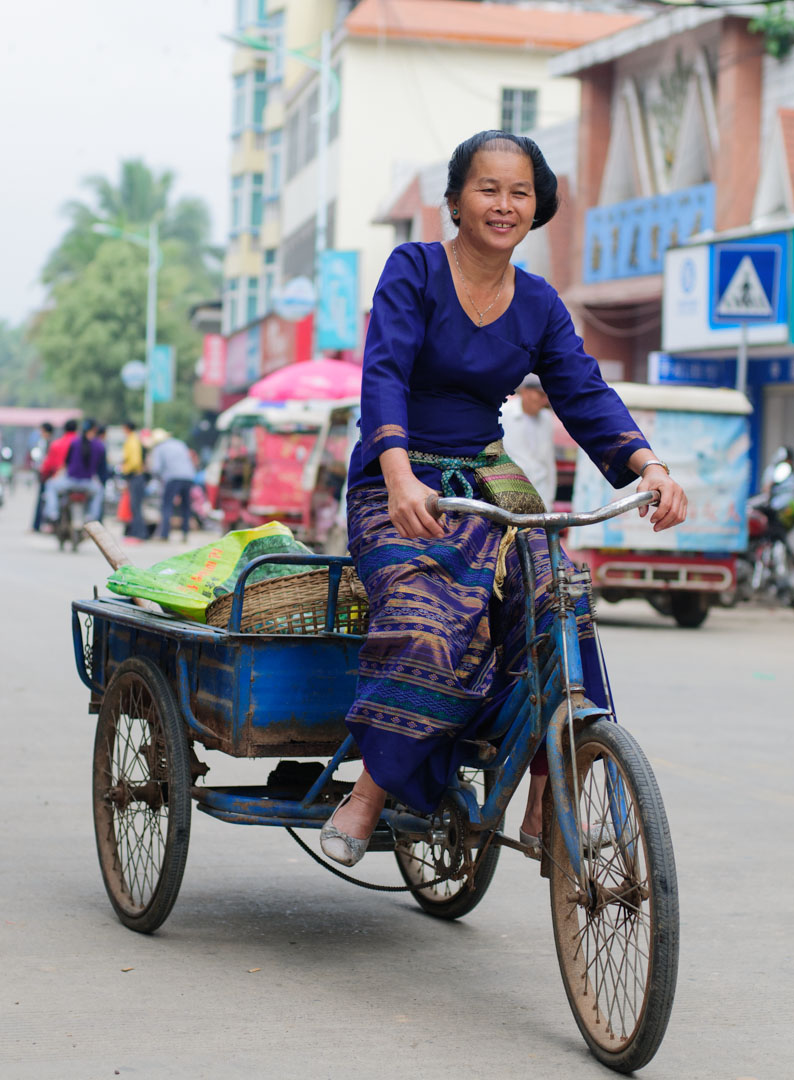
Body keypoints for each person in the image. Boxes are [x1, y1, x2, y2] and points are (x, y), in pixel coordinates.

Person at [319, 129, 687, 867]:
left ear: (536, 207)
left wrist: (649, 465)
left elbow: (583, 392)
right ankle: (369, 792)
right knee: (428, 620)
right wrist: (395, 474)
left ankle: (547, 790)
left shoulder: (542, 303)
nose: (504, 204)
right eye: (488, 189)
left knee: (562, 599)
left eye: (520, 192)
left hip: (488, 476)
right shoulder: (413, 270)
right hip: (398, 478)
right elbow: (382, 373)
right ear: (455, 200)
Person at [500, 372, 557, 509]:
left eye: (547, 396)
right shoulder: (504, 413)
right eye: (541, 395)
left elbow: (549, 461)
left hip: (540, 492)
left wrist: (550, 500)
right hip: (510, 492)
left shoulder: (546, 418)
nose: (544, 401)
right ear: (525, 392)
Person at [42, 418, 105, 524]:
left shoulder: (74, 443)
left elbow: (66, 463)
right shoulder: (99, 446)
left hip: (70, 481)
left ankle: (53, 514)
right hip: (88, 483)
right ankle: (92, 517)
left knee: (50, 485)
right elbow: (101, 468)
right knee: (99, 491)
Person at [147, 428, 196, 541]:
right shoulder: (180, 443)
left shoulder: (159, 448)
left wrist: (158, 478)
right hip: (188, 476)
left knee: (167, 505)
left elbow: (156, 468)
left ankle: (164, 534)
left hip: (172, 477)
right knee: (186, 506)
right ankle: (185, 533)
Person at [121, 420, 148, 542]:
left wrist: (125, 469)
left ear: (126, 428)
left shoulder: (132, 441)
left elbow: (135, 461)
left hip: (136, 476)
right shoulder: (134, 439)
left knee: (135, 506)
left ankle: (139, 534)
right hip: (137, 476)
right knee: (135, 506)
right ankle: (137, 532)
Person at [30, 421, 55, 531]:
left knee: (42, 500)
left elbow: (46, 462)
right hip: (48, 475)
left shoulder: (47, 443)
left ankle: (38, 526)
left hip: (46, 475)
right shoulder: (48, 442)